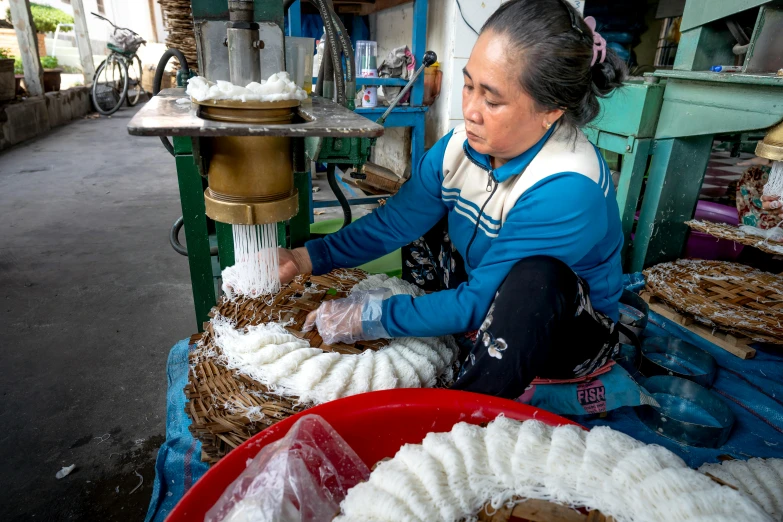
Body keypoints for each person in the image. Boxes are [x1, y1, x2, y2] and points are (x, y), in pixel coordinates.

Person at [279, 0, 627, 399]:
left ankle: (463, 406)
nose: (470, 112)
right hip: (485, 288)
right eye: (468, 85)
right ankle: (440, 330)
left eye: (492, 101)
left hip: (558, 332)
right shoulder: (460, 148)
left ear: (550, 111)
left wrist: (370, 317)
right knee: (427, 217)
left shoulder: (567, 185)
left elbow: (479, 302)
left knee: (538, 279)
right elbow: (397, 222)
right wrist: (306, 258)